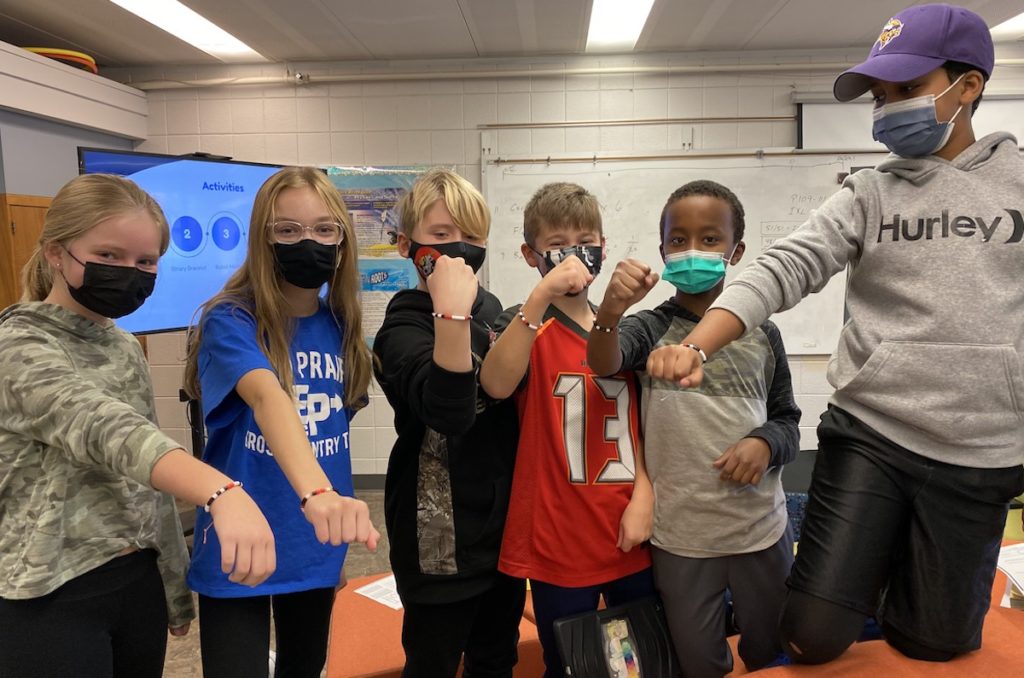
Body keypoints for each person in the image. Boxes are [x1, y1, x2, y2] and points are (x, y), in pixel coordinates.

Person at [645, 3, 1024, 664]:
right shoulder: (868, 192)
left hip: (980, 446)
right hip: (874, 432)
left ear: (969, 87)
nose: (889, 108)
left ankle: (909, 569)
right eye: (881, 96)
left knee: (935, 642)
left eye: (907, 90)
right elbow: (786, 266)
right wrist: (696, 343)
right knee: (811, 633)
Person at [0, 173, 275, 678]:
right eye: (109, 256)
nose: (130, 273)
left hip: (133, 582)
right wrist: (221, 491)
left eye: (145, 262)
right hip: (50, 592)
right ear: (56, 253)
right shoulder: (18, 346)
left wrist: (173, 583)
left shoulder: (124, 346)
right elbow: (107, 429)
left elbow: (144, 486)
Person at [588, 180, 800, 676]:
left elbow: (788, 421)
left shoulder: (763, 332)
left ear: (736, 250)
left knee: (770, 651)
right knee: (699, 659)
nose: (692, 251)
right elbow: (604, 361)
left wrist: (764, 444)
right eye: (678, 240)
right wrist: (612, 309)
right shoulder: (648, 326)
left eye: (709, 240)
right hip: (680, 537)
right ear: (662, 249)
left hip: (761, 533)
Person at [183, 166, 379, 678]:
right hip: (241, 541)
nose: (306, 241)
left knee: (304, 667)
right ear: (263, 239)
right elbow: (270, 399)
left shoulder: (341, 322)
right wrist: (317, 492)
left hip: (312, 543)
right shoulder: (230, 320)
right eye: (287, 230)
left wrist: (325, 511)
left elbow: (330, 431)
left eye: (322, 229)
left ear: (341, 238)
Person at [479, 182, 655, 678]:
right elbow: (494, 383)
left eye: (587, 239)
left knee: (637, 661)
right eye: (559, 241)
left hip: (628, 530)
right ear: (531, 254)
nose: (576, 252)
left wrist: (645, 494)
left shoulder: (623, 331)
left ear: (603, 246)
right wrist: (540, 296)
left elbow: (644, 427)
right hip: (558, 537)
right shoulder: (523, 325)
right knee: (571, 664)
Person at [373, 167, 526, 677]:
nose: (459, 249)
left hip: (499, 526)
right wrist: (451, 318)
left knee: (496, 656)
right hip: (435, 534)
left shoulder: (491, 309)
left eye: (472, 237)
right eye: (441, 236)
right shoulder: (401, 327)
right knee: (433, 663)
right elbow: (450, 412)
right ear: (405, 244)